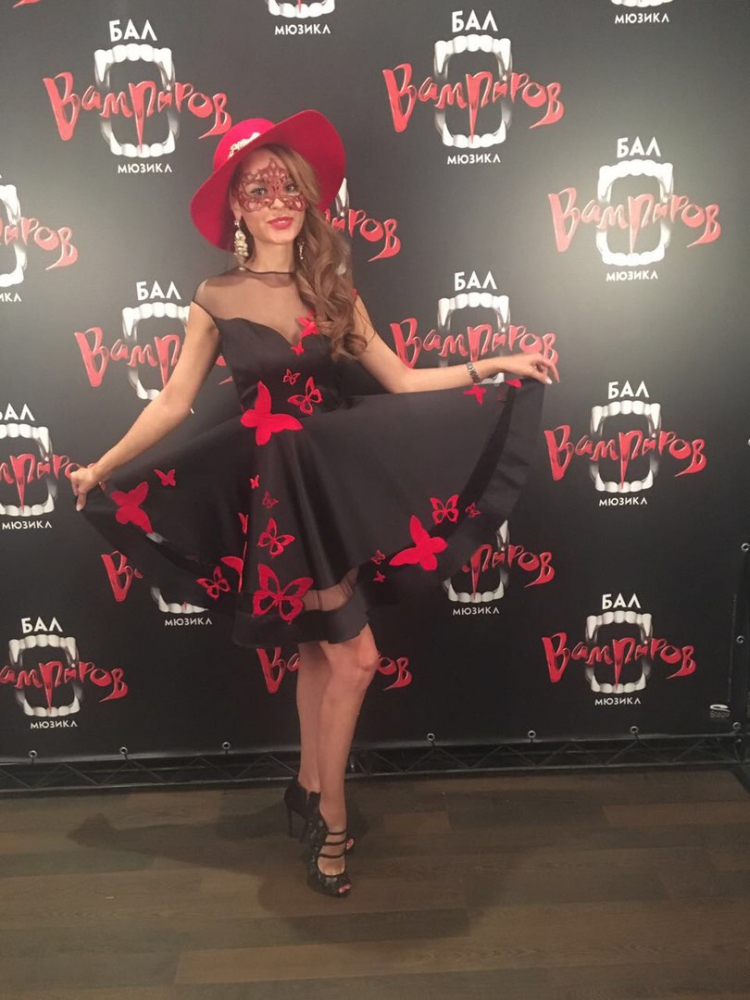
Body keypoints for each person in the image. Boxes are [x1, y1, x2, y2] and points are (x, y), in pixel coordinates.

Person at [69, 110, 559, 899]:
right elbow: (172, 403)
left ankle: (306, 790)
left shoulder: (331, 289)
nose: (278, 201)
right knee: (351, 659)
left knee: (324, 655)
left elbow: (401, 379)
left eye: (289, 187)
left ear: (308, 198)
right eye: (259, 189)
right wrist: (102, 466)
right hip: (277, 498)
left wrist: (492, 363)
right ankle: (329, 820)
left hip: (331, 488)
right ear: (236, 206)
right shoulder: (214, 296)